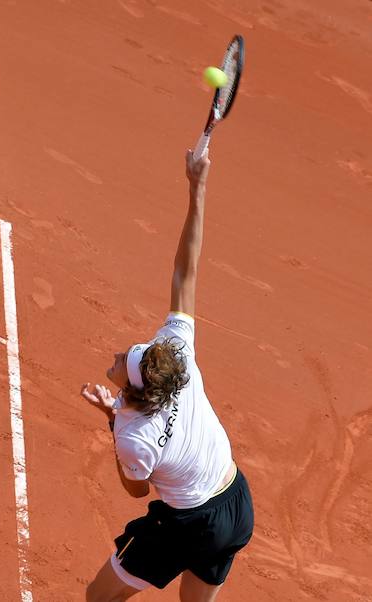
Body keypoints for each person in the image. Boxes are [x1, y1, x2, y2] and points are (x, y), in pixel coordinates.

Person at [79, 150, 254, 601]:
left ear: (137, 387)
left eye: (125, 360)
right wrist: (197, 187)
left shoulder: (133, 434)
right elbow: (186, 269)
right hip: (235, 500)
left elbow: (136, 490)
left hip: (189, 523)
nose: (119, 354)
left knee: (98, 597)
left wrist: (113, 424)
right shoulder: (177, 354)